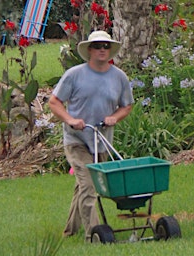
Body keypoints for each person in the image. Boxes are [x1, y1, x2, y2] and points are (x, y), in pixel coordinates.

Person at [49, 30, 134, 240]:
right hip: (76, 140)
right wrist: (70, 120)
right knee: (89, 186)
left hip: (101, 141)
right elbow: (54, 102)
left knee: (83, 186)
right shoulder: (74, 75)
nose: (102, 49)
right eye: (97, 46)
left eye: (106, 46)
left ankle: (70, 230)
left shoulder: (119, 77)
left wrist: (115, 117)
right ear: (89, 50)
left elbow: (127, 106)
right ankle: (94, 236)